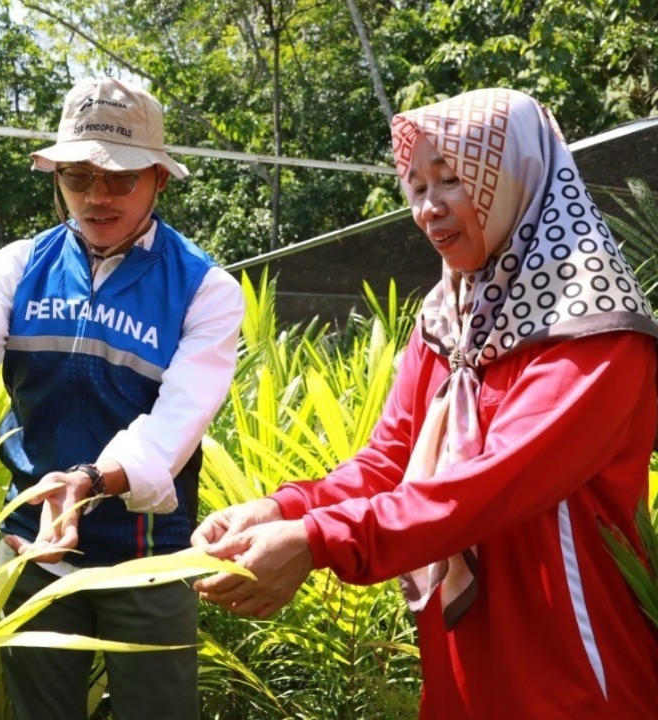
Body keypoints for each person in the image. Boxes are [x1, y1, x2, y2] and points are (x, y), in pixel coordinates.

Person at [192, 87, 658, 719]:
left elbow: (487, 486)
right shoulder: (451, 320)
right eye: (415, 187)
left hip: (571, 665)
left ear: (515, 175)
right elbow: (390, 460)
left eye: (451, 180)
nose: (427, 209)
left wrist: (316, 540)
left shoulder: (596, 330)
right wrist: (283, 507)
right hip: (462, 661)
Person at [0, 76, 244, 720]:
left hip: (148, 557)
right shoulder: (19, 264)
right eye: (78, 176)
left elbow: (175, 427)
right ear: (56, 178)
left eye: (119, 178)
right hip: (32, 549)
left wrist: (87, 480)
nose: (96, 196)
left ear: (159, 180)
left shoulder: (205, 289)